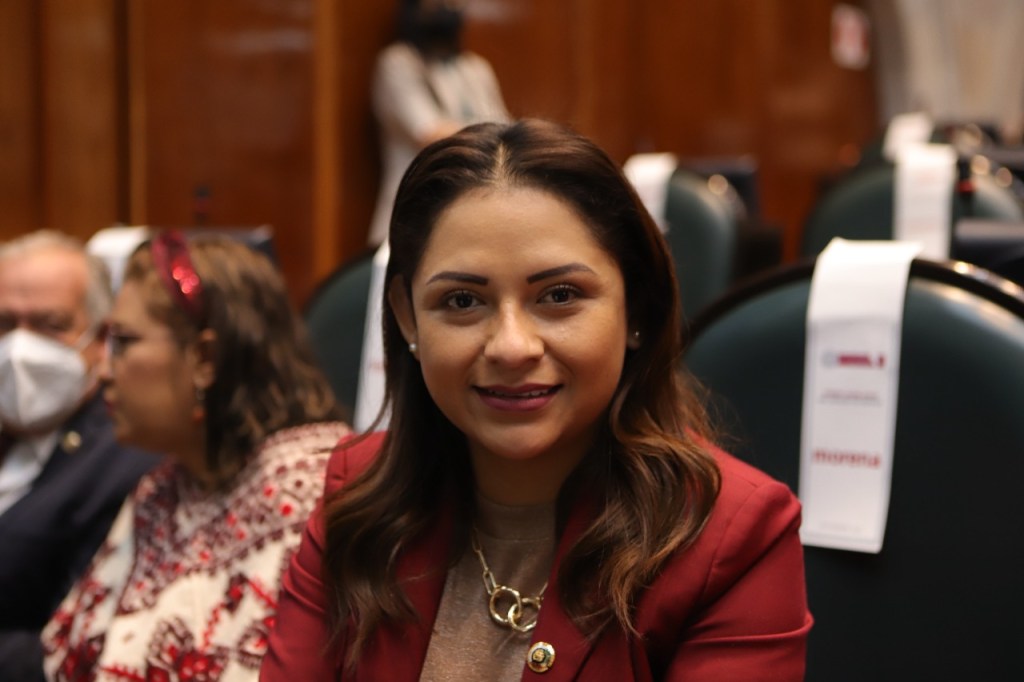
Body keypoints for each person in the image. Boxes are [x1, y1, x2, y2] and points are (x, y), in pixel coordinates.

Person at [260, 119, 813, 681]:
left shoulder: (733, 539)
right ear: (407, 317)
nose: (511, 347)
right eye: (462, 301)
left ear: (637, 307)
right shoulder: (356, 500)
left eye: (559, 295)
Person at [41, 232, 351, 680]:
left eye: (124, 342)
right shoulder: (164, 487)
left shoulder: (316, 492)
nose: (104, 371)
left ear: (205, 357)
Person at [0, 231, 159, 682]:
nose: (20, 347)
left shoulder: (126, 460)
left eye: (50, 324)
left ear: (101, 338)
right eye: (4, 323)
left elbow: (70, 647)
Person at [367, 0, 511, 247]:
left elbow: (506, 129)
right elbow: (431, 134)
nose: (446, 8)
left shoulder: (474, 67)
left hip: (475, 211)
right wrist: (496, 138)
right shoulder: (399, 62)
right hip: (415, 210)